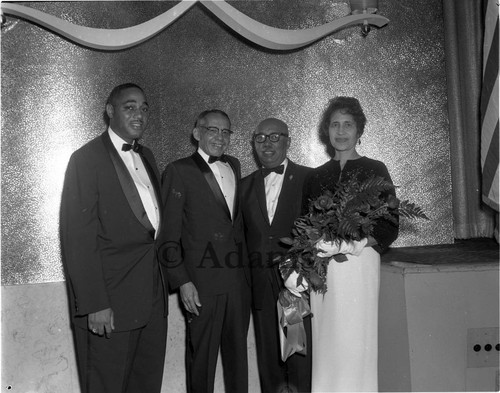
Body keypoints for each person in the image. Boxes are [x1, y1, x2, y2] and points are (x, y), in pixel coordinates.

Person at [60, 83, 168, 393]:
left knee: (146, 386)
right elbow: (77, 239)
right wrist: (95, 304)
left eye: (144, 108)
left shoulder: (147, 155)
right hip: (110, 305)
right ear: (110, 112)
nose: (139, 114)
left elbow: (153, 232)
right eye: (129, 106)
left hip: (151, 302)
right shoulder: (86, 159)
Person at [288, 96, 399, 392]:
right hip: (324, 268)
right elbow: (304, 225)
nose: (341, 131)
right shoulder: (316, 176)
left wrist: (352, 244)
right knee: (327, 340)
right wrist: (300, 266)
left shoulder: (376, 169)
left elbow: (390, 226)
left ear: (359, 130)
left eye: (347, 124)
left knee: (356, 340)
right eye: (335, 124)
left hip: (359, 265)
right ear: (326, 131)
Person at [158, 109, 251, 393]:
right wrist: (182, 281)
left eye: (226, 131)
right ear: (197, 133)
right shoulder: (178, 170)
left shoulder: (234, 165)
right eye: (213, 130)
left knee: (238, 360)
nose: (220, 137)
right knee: (202, 360)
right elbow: (168, 235)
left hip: (237, 282)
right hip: (201, 284)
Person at [241, 118, 312, 393]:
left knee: (298, 352)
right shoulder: (244, 186)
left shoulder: (309, 178)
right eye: (260, 138)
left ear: (288, 142)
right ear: (253, 144)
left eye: (275, 137)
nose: (267, 144)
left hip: (297, 282)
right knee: (268, 356)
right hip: (259, 283)